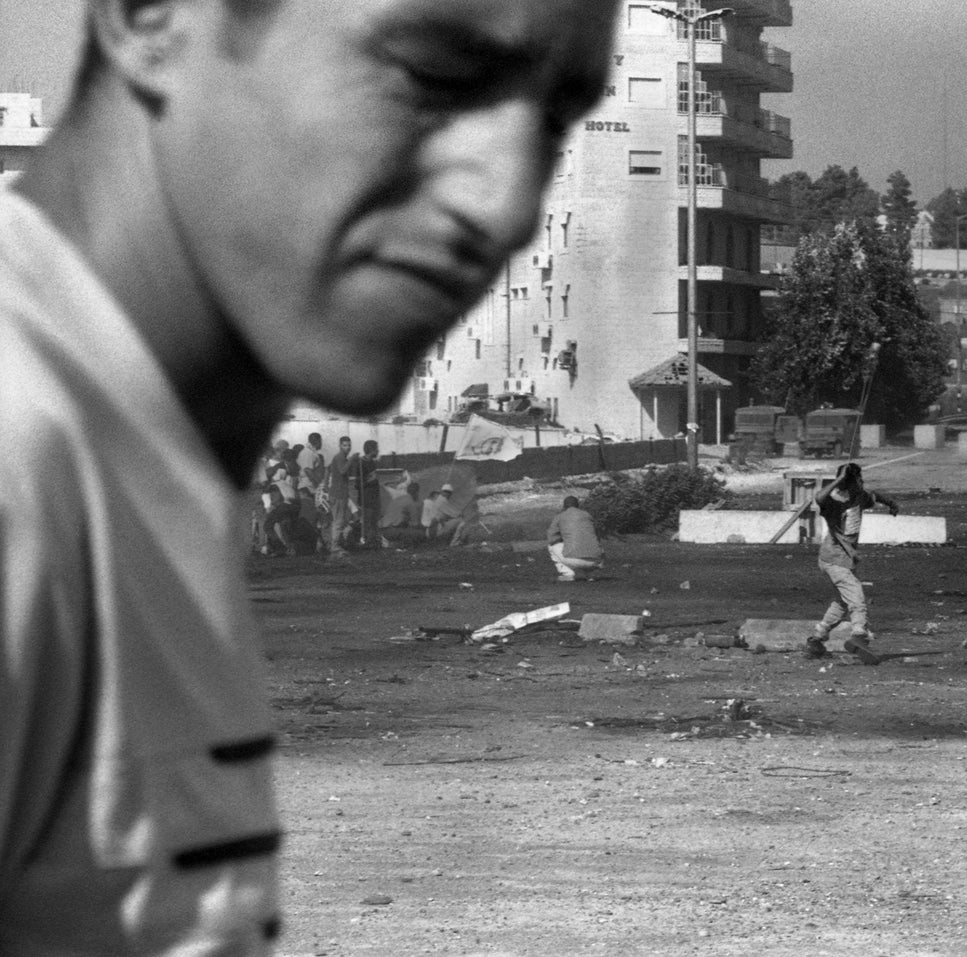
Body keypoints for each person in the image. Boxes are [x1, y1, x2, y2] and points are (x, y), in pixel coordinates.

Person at [0, 0, 620, 952]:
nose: (506, 205)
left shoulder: (126, 450)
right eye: (433, 77)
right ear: (151, 19)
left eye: (552, 118)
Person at [807, 462, 899, 665]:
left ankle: (817, 638)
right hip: (833, 559)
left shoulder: (860, 497)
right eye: (859, 479)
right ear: (850, 482)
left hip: (846, 559)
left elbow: (875, 495)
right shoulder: (832, 504)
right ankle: (859, 635)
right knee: (856, 594)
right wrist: (838, 479)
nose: (862, 482)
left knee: (842, 601)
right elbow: (818, 497)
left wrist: (891, 503)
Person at [547, 495, 604, 582]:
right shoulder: (587, 515)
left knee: (551, 545)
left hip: (574, 560)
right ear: (578, 505)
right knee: (589, 541)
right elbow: (597, 534)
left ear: (564, 506)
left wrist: (564, 538)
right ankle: (590, 575)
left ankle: (567, 574)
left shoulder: (560, 516)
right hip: (596, 562)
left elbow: (551, 537)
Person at [326, 435, 358, 555]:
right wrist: (352, 459)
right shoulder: (340, 457)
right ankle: (334, 546)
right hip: (338, 494)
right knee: (339, 522)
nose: (348, 447)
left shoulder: (340, 457)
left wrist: (325, 486)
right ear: (340, 446)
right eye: (345, 445)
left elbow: (328, 469)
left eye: (349, 445)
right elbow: (342, 471)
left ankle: (335, 544)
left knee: (340, 521)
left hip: (339, 493)